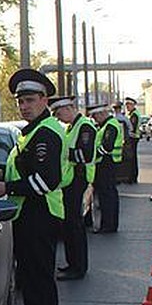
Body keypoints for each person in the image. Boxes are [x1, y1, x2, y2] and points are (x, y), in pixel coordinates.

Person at [0, 68, 66, 305]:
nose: (24, 106)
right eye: (21, 101)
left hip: (40, 215)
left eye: (30, 100)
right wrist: (2, 174)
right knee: (31, 285)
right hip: (29, 215)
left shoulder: (46, 133)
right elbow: (27, 171)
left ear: (45, 99)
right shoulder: (31, 132)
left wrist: (7, 187)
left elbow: (47, 180)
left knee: (40, 286)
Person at [51, 95, 96, 280]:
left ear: (69, 108)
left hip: (79, 180)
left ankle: (78, 267)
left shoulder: (85, 126)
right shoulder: (71, 127)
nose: (58, 118)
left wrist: (62, 153)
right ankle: (72, 263)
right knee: (69, 225)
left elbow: (84, 155)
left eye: (59, 113)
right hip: (70, 182)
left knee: (74, 225)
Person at [89, 103, 122, 233]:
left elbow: (107, 146)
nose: (94, 119)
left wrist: (93, 155)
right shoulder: (105, 125)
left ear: (102, 113)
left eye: (95, 116)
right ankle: (109, 224)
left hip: (106, 164)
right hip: (106, 164)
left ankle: (108, 225)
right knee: (108, 195)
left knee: (107, 196)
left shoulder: (111, 126)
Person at [123, 97, 141, 183]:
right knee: (131, 158)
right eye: (126, 105)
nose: (127, 107)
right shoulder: (131, 114)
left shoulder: (134, 115)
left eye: (128, 105)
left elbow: (132, 128)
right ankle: (131, 176)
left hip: (133, 138)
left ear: (133, 105)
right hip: (132, 138)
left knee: (132, 159)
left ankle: (133, 177)